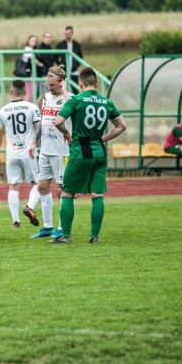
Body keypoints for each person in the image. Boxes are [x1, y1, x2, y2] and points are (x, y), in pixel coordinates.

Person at [51, 67, 127, 244]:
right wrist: (104, 138)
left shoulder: (76, 100)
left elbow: (58, 121)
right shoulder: (106, 102)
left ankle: (66, 236)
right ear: (97, 83)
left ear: (80, 83)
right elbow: (121, 125)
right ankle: (94, 236)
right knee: (97, 194)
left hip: (80, 151)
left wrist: (66, 133)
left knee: (68, 192)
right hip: (99, 152)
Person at [29, 66, 73, 239]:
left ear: (62, 83)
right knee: (41, 186)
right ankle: (47, 227)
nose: (50, 87)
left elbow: (73, 108)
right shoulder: (47, 97)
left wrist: (66, 90)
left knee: (62, 189)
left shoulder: (70, 98)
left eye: (53, 84)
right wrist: (34, 140)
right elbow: (43, 121)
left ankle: (62, 228)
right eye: (48, 84)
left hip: (62, 151)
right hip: (45, 149)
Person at [0, 79, 42, 228]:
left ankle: (16, 221)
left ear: (11, 91)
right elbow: (39, 128)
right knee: (38, 183)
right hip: (29, 152)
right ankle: (30, 207)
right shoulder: (32, 108)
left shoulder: (3, 111)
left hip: (12, 153)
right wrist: (35, 142)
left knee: (13, 186)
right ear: (25, 92)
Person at [35, 31, 55, 97]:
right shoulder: (40, 48)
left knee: (46, 94)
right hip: (43, 74)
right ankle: (37, 107)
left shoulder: (50, 48)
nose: (48, 39)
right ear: (43, 38)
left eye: (50, 37)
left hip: (49, 74)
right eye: (47, 37)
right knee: (43, 95)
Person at [19, 34, 37, 102]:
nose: (34, 42)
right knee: (30, 92)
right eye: (32, 40)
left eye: (35, 41)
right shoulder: (27, 48)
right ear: (28, 41)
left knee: (31, 91)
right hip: (27, 72)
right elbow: (33, 58)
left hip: (31, 72)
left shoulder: (32, 49)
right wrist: (40, 64)